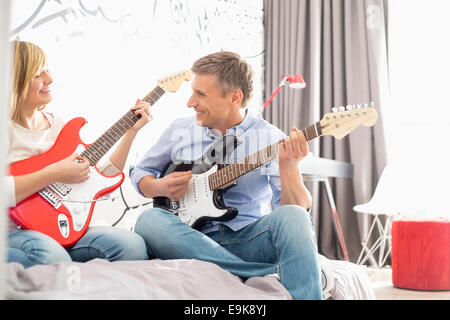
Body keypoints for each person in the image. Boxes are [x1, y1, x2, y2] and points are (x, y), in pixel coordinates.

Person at [130, 51, 322, 300]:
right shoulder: (180, 129)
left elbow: (293, 213)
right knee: (149, 220)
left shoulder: (270, 138)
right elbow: (141, 173)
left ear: (235, 96)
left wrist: (289, 168)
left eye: (200, 94)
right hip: (189, 237)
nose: (190, 102)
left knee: (295, 215)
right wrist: (160, 187)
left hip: (247, 239)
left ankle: (230, 269)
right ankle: (256, 273)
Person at [6, 40, 151, 268]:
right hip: (12, 232)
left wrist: (130, 133)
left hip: (62, 228)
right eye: (37, 74)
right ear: (13, 81)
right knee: (52, 257)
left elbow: (97, 173)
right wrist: (53, 173)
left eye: (47, 68)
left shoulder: (58, 125)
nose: (50, 79)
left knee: (131, 245)